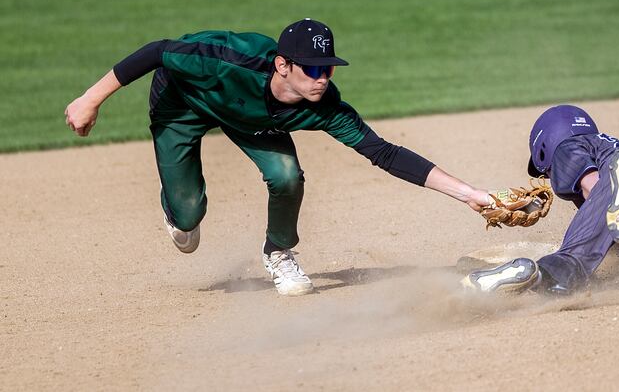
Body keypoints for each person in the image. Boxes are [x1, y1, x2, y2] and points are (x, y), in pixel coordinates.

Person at [65, 19, 491, 296]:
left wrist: (469, 194)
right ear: (283, 65)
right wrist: (91, 99)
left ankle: (280, 253)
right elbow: (158, 50)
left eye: (328, 69)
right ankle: (177, 208)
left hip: (253, 120)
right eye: (313, 69)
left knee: (287, 173)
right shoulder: (229, 60)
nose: (323, 78)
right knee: (188, 215)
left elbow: (383, 152)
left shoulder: (323, 104)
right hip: (186, 102)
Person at [464, 104, 619, 294]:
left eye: (545, 172)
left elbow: (596, 191)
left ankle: (545, 273)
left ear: (543, 151)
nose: (547, 176)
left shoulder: (564, 150)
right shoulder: (604, 148)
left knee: (570, 261)